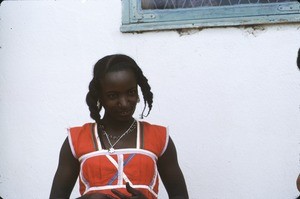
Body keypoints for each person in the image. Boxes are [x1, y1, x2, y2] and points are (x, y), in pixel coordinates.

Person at [49, 54, 189, 199]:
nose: (124, 103)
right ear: (99, 97)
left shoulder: (159, 137)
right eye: (113, 95)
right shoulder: (76, 140)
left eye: (131, 92)